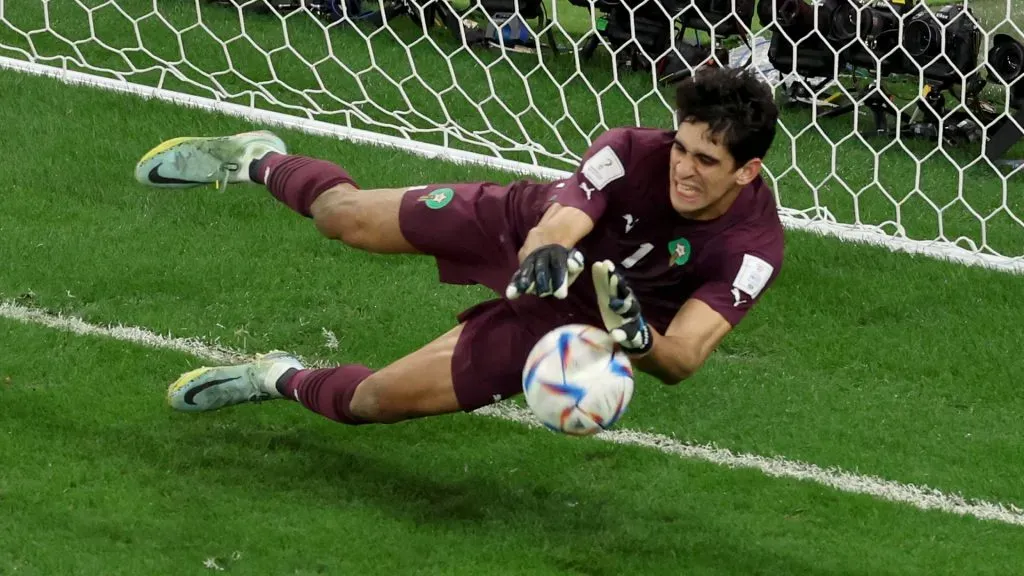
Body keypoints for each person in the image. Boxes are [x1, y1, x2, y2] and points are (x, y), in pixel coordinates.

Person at [134, 66, 783, 427]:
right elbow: (562, 220)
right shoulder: (628, 151)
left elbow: (683, 357)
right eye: (681, 148)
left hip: (575, 322)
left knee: (374, 402)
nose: (684, 170)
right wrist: (545, 254)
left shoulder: (751, 248)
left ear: (747, 172)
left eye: (707, 161)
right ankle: (259, 159)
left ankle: (272, 376)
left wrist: (636, 336)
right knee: (344, 217)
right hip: (525, 226)